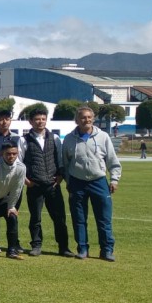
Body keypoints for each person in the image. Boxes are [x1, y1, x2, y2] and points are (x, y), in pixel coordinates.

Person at [62, 106, 122, 261]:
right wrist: (69, 181)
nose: (86, 120)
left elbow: (112, 161)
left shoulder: (103, 137)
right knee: (79, 219)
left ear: (93, 119)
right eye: (83, 117)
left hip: (99, 181)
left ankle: (106, 250)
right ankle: (82, 249)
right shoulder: (69, 139)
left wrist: (114, 179)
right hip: (77, 183)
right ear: (76, 120)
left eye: (89, 117)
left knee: (104, 219)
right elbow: (65, 163)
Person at [18, 106, 73, 257]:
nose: (40, 122)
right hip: (34, 185)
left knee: (59, 218)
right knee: (35, 218)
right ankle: (36, 245)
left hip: (53, 185)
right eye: (37, 119)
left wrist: (60, 176)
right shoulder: (24, 140)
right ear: (30, 121)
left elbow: (60, 159)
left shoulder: (54, 138)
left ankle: (63, 247)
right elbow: (19, 163)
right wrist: (26, 181)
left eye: (43, 119)